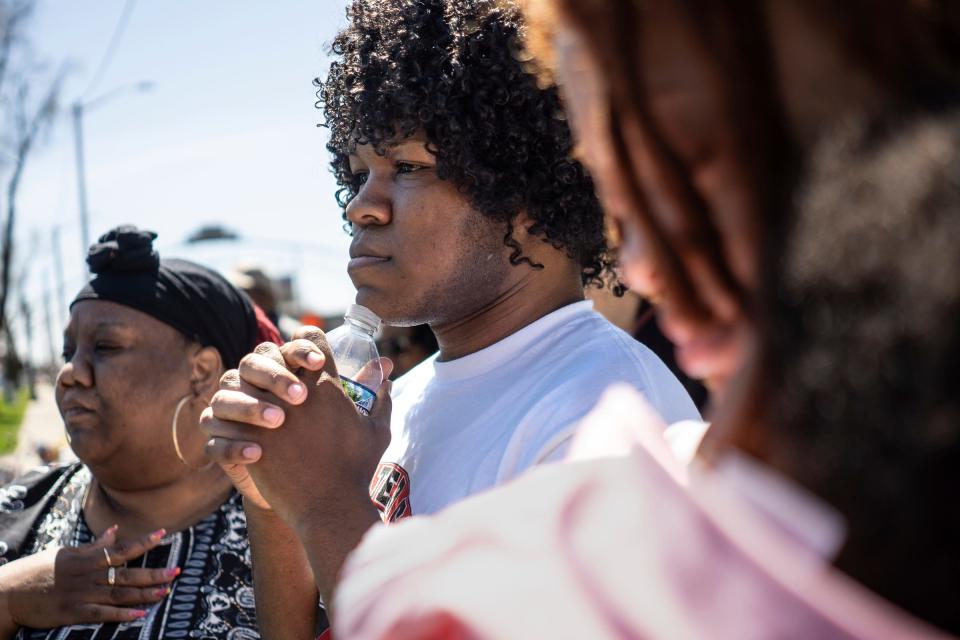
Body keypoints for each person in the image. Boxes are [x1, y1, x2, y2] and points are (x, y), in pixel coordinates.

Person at [320, 1, 960, 637]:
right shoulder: (672, 465)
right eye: (619, 180)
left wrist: (322, 501)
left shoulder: (610, 420)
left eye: (694, 164)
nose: (643, 266)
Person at [200, 1, 700, 636]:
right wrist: (277, 490)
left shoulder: (607, 414)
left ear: (526, 187)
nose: (362, 207)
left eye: (407, 167)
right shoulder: (396, 399)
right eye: (358, 174)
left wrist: (326, 500)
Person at [0, 226, 280, 639]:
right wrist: (8, 599)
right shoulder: (16, 512)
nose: (69, 373)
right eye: (68, 352)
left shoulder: (283, 537)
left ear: (201, 371)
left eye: (106, 347)